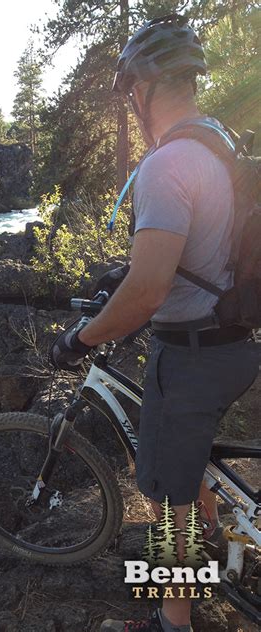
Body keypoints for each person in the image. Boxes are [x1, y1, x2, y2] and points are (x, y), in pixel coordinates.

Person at [51, 13, 259, 632]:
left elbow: (146, 293)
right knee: (185, 469)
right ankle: (230, 551)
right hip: (231, 344)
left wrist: (80, 338)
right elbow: (192, 251)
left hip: (191, 357)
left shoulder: (168, 166)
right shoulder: (217, 143)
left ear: (139, 90)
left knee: (167, 501)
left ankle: (175, 620)